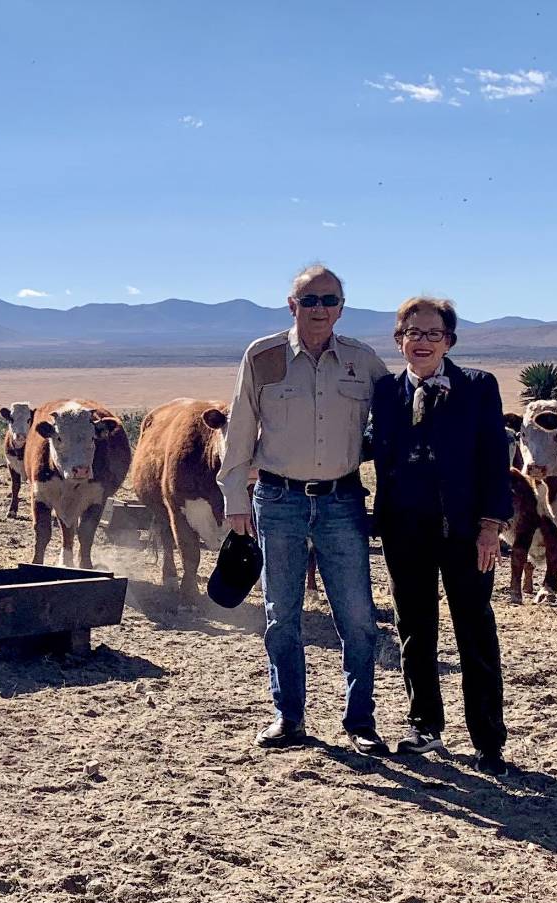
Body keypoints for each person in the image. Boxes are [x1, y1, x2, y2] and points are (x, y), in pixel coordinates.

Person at [219, 265, 390, 754]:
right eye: (309, 300)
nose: (320, 308)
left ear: (342, 306)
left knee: (358, 616)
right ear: (291, 305)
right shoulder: (264, 356)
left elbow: (396, 421)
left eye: (329, 300)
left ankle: (360, 722)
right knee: (281, 615)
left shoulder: (362, 360)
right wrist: (235, 499)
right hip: (276, 500)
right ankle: (288, 717)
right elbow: (239, 430)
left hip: (342, 501)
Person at [367, 296, 512, 776]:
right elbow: (365, 446)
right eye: (413, 333)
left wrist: (491, 526)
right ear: (398, 340)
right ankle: (425, 726)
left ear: (449, 340)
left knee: (474, 628)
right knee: (414, 628)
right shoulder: (386, 391)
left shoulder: (477, 386)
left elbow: (494, 458)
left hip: (466, 532)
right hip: (404, 530)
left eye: (433, 334)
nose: (422, 342)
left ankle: (488, 740)